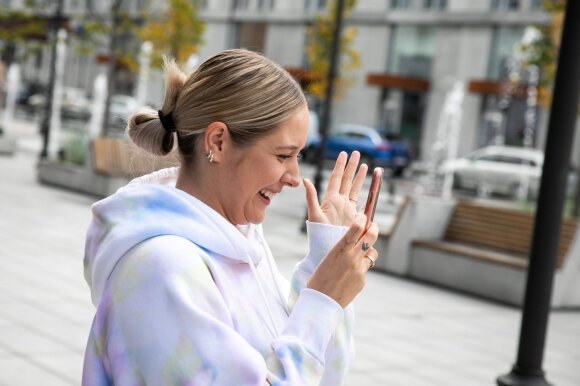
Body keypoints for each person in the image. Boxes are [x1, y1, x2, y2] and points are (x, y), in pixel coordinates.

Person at [82, 49, 380, 386]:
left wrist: (326, 266)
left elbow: (321, 375)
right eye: (283, 155)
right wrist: (324, 299)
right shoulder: (161, 267)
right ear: (218, 142)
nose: (295, 177)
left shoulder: (243, 241)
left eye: (298, 156)